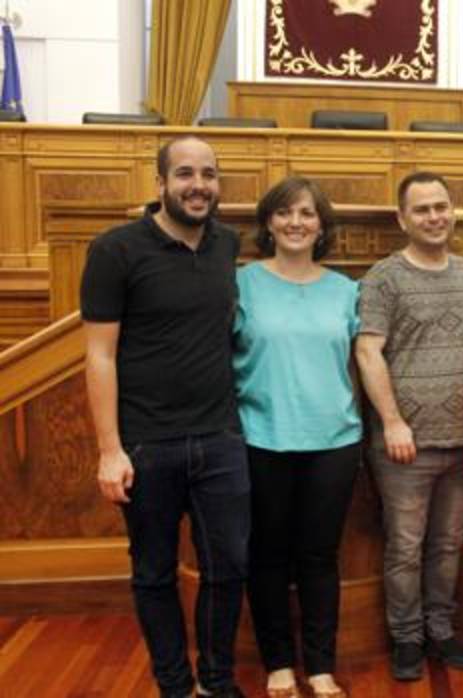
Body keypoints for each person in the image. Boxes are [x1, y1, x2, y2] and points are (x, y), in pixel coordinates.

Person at [81, 135, 249, 697]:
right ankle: (175, 686)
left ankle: (217, 681)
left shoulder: (227, 245)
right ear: (159, 184)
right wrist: (110, 449)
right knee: (153, 574)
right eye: (184, 174)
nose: (197, 185)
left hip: (221, 439)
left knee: (228, 569)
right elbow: (99, 355)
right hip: (146, 445)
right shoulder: (116, 250)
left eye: (208, 174)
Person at [355, 171, 463, 680]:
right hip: (404, 445)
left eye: (441, 207)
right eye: (422, 209)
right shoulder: (383, 278)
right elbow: (368, 351)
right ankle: (407, 637)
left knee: (448, 544)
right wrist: (392, 422)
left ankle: (441, 628)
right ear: (402, 219)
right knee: (405, 547)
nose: (434, 217)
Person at [233, 176, 361, 698]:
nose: (296, 223)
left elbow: (362, 363)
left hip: (334, 439)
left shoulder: (346, 289)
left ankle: (322, 665)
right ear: (269, 222)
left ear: (321, 226)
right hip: (260, 436)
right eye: (285, 213)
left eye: (307, 214)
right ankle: (279, 662)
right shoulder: (241, 284)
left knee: (318, 557)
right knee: (267, 555)